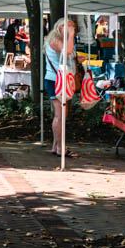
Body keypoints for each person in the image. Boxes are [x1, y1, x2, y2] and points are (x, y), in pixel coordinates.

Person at [43, 17, 79, 158]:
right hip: (55, 80)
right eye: (67, 26)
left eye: (72, 26)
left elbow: (69, 55)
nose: (70, 29)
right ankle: (60, 147)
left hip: (62, 80)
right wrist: (70, 35)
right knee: (59, 115)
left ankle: (56, 145)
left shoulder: (61, 39)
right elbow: (68, 51)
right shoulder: (55, 40)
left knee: (62, 114)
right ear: (59, 27)